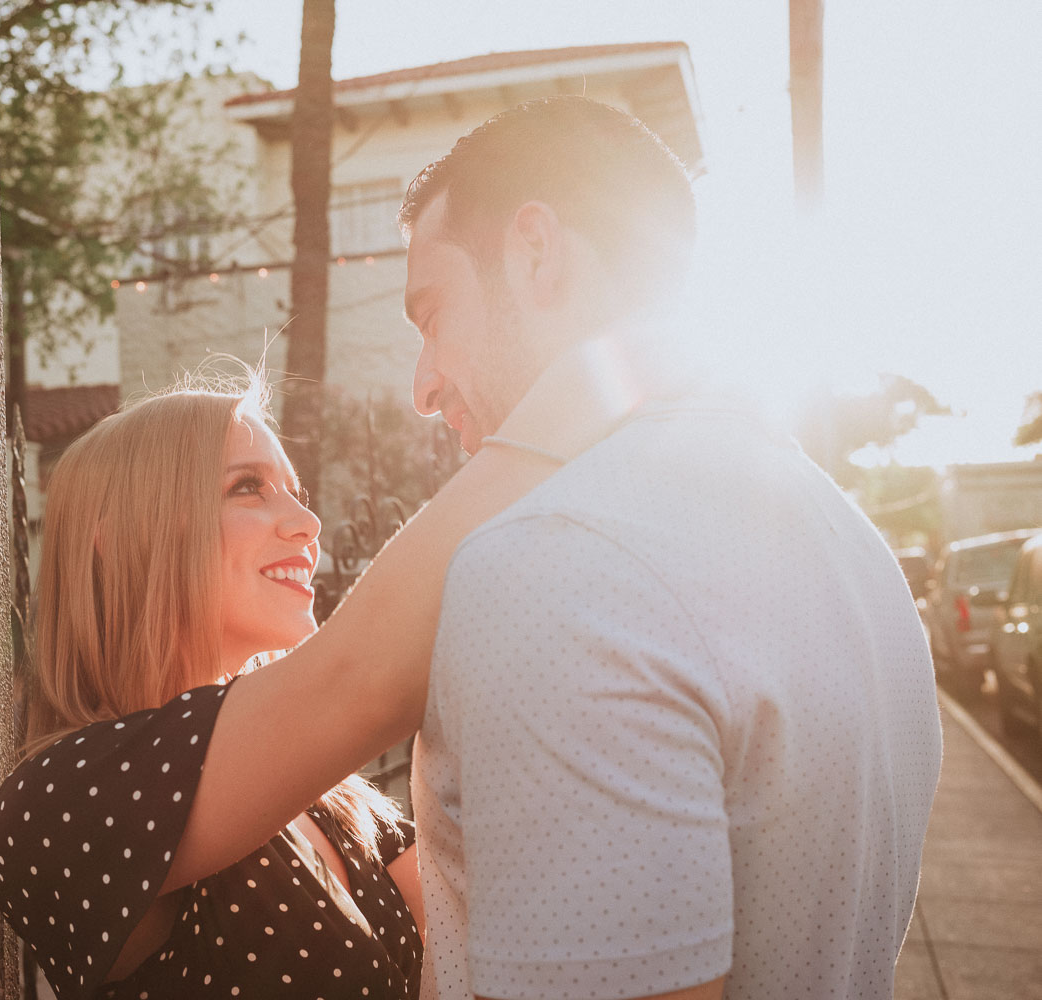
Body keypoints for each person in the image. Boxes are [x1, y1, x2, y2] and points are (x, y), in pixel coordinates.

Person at [398, 96, 943, 999]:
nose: (421, 386)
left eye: (429, 313)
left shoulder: (555, 567)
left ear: (536, 251)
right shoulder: (851, 542)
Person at [0, 378, 527, 999]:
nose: (307, 521)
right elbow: (365, 677)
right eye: (247, 487)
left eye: (295, 493)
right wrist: (568, 411)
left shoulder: (334, 799)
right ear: (120, 538)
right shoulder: (60, 798)